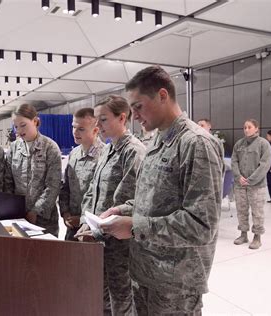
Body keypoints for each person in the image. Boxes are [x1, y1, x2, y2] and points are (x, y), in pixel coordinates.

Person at [99, 66, 224, 315]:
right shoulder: (157, 141)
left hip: (175, 285)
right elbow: (152, 200)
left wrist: (135, 226)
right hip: (145, 273)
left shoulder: (196, 144)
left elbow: (201, 225)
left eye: (138, 106)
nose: (134, 116)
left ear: (162, 95)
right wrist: (122, 210)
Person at [75, 95, 146, 316]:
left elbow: (136, 201)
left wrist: (105, 221)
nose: (98, 125)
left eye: (103, 120)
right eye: (96, 120)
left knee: (122, 295)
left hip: (120, 242)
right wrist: (85, 222)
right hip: (100, 235)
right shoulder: (107, 149)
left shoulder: (133, 151)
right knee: (102, 293)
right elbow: (92, 190)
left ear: (122, 118)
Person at [4, 103, 62, 236]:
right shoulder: (13, 148)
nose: (19, 131)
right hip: (17, 216)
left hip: (44, 219)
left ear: (35, 121)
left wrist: (35, 211)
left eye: (23, 125)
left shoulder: (50, 148)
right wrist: (12, 208)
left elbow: (53, 185)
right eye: (16, 126)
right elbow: (7, 181)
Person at [59, 108, 104, 241]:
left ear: (95, 130)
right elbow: (65, 187)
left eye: (81, 129)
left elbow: (104, 197)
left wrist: (82, 219)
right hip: (71, 226)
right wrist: (65, 212)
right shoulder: (74, 154)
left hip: (92, 229)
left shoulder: (104, 156)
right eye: (74, 127)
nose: (75, 132)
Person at [232, 119, 271, 249]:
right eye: (244, 127)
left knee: (257, 212)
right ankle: (243, 234)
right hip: (240, 185)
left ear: (256, 128)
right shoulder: (239, 144)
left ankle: (257, 237)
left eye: (249, 127)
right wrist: (239, 177)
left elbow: (264, 165)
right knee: (241, 210)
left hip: (257, 186)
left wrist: (251, 179)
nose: (246, 129)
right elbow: (234, 161)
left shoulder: (263, 144)